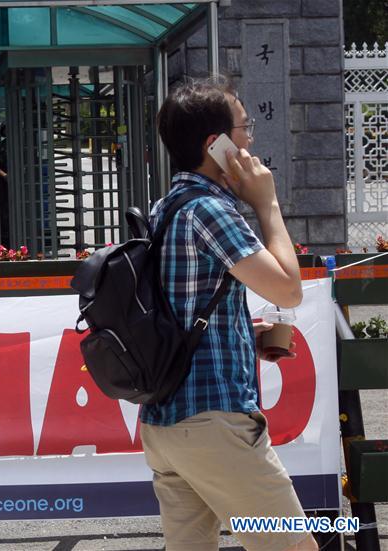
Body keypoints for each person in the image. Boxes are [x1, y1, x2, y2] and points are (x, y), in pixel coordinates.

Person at [138, 77, 318, 551]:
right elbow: (289, 289)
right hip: (213, 420)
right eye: (244, 128)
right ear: (214, 144)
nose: (251, 139)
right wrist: (267, 203)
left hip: (166, 422)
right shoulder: (210, 209)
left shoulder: (168, 206)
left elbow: (184, 305)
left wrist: (242, 332)